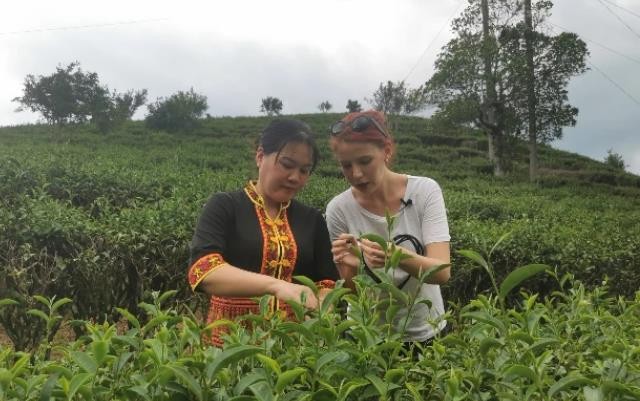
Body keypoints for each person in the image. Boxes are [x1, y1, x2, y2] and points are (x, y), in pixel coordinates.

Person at [187, 119, 338, 347]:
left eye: (304, 171)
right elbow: (204, 271)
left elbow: (327, 281)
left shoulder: (312, 219)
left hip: (292, 345)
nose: (295, 177)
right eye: (287, 164)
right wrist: (276, 286)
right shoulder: (225, 206)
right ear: (260, 156)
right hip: (228, 344)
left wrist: (321, 307)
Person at [325, 110, 451, 348]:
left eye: (365, 161)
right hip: (367, 336)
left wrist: (395, 256)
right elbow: (352, 291)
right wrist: (352, 268)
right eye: (346, 165)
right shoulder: (338, 209)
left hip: (426, 332)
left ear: (387, 151)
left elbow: (442, 272)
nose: (356, 174)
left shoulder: (425, 191)